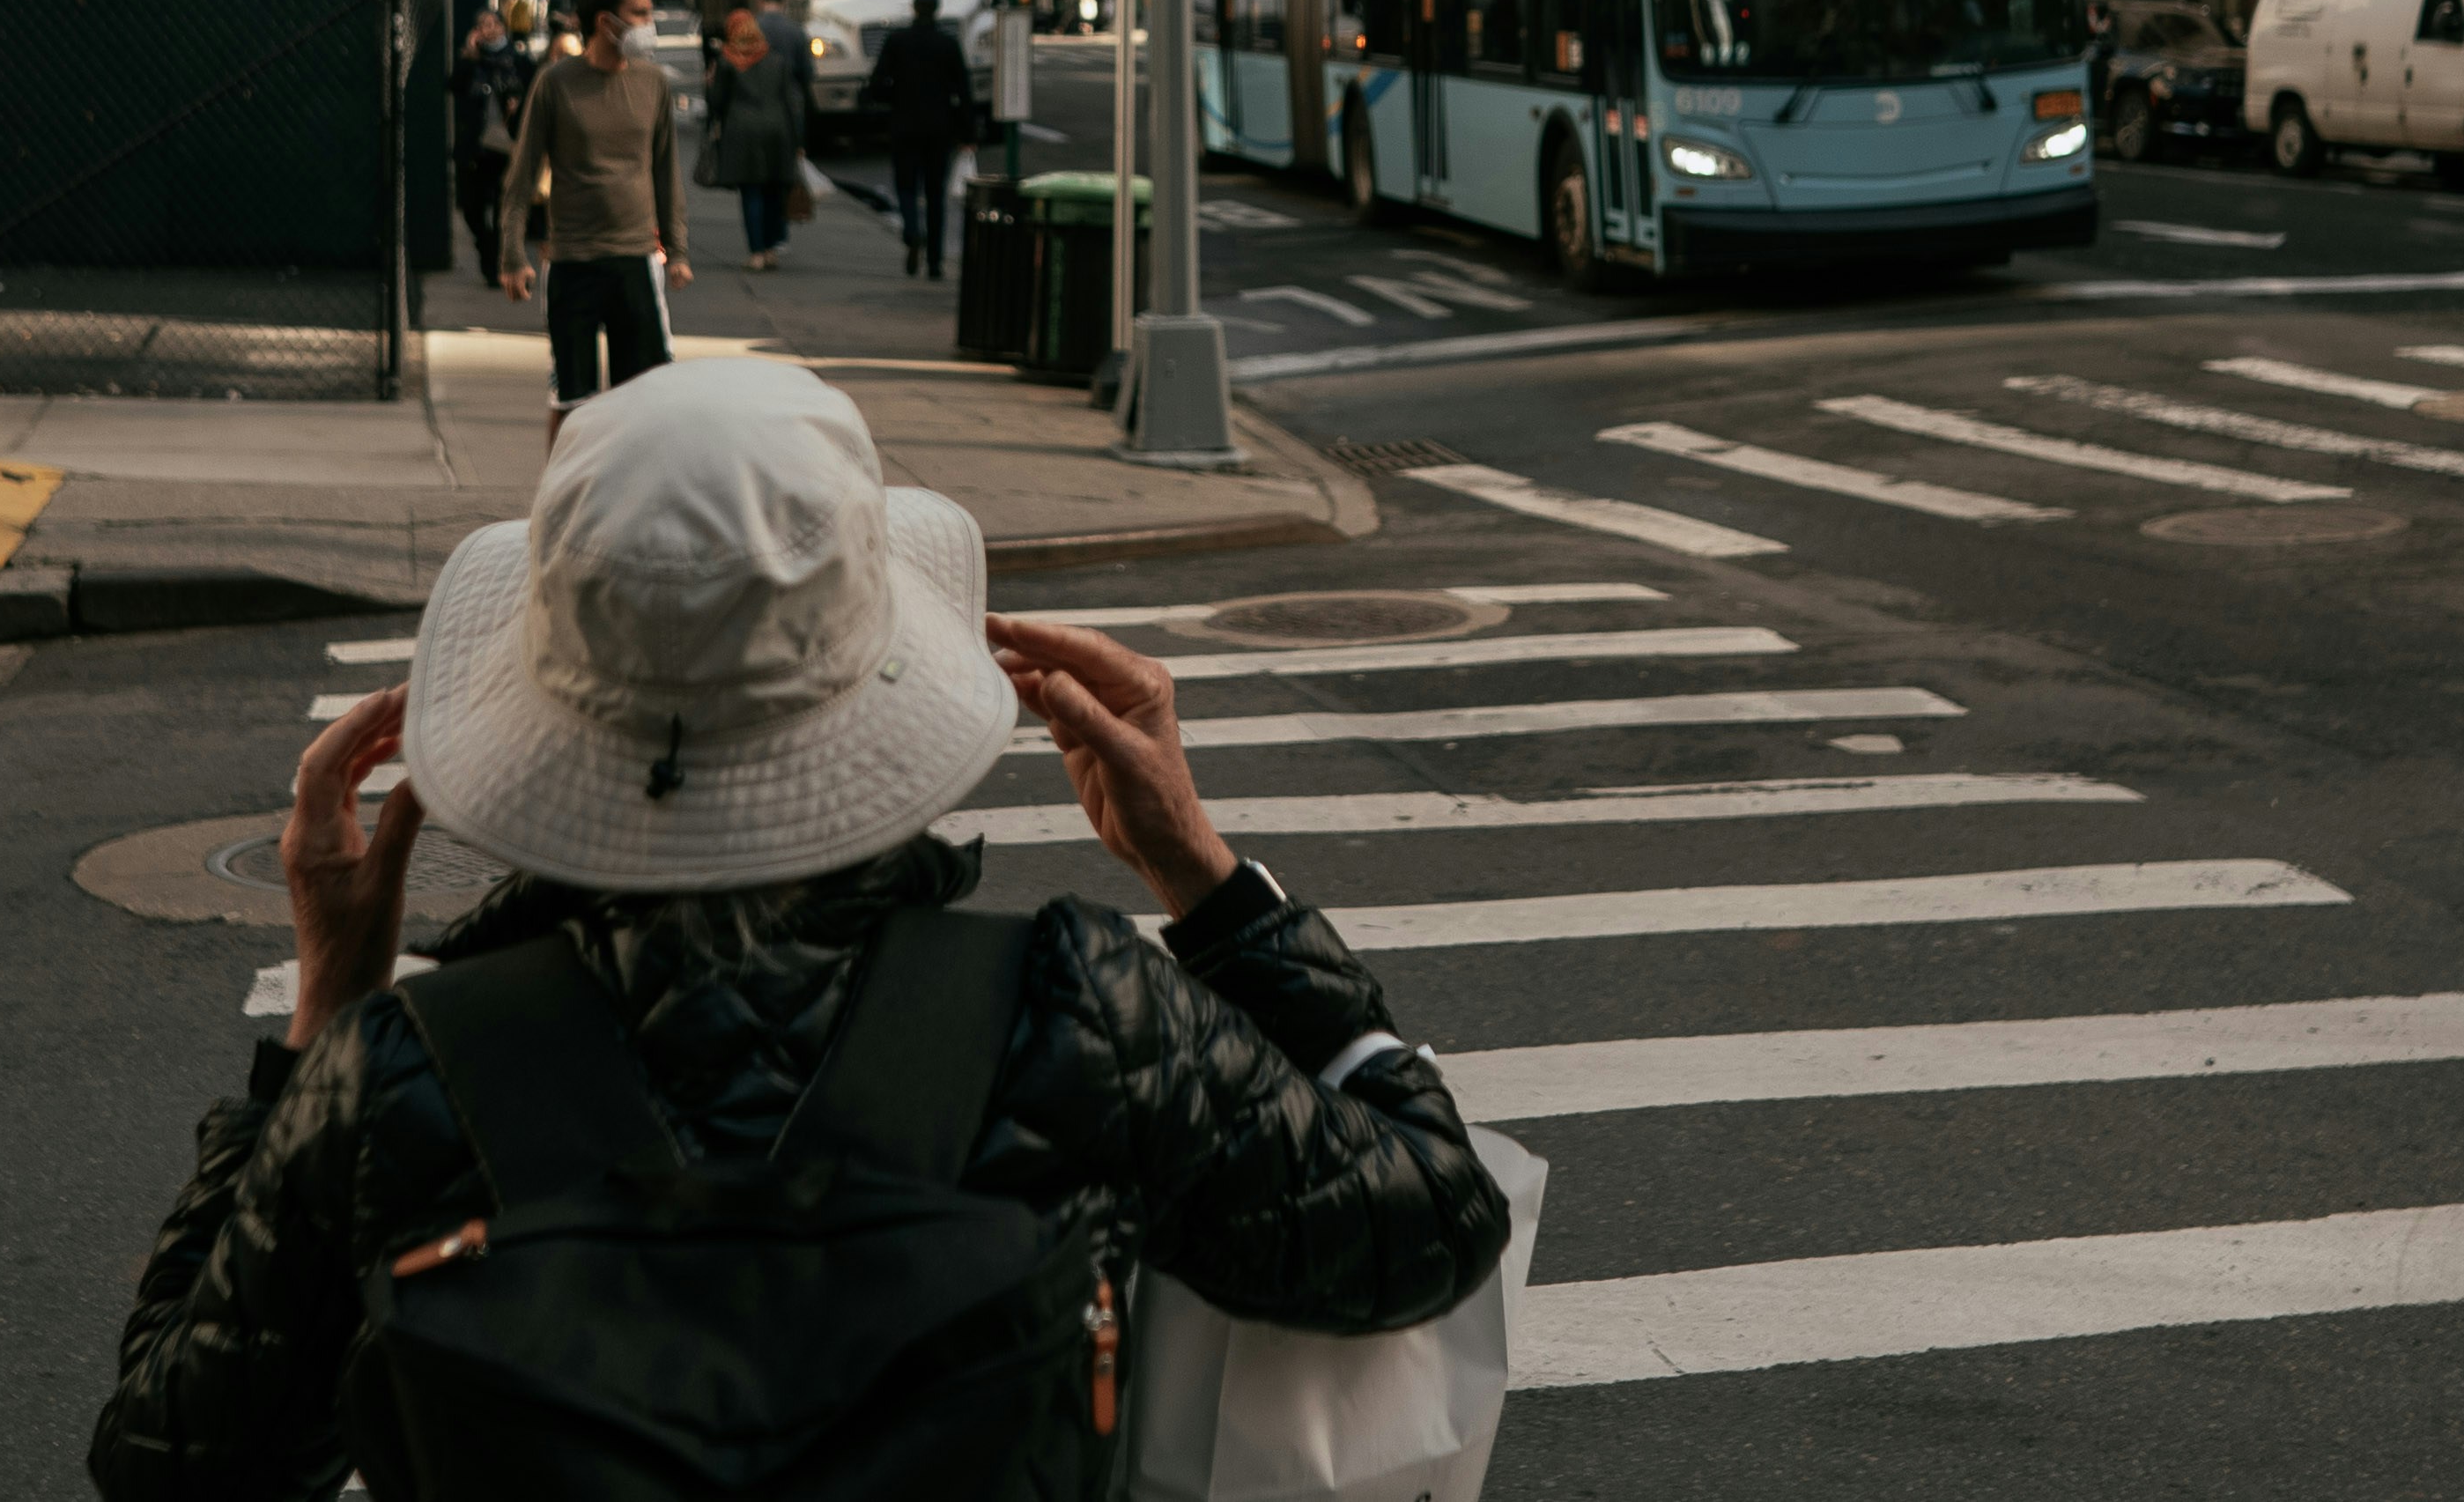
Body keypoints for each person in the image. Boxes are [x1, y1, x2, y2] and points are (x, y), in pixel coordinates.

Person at [84, 359, 1513, 1497]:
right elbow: (1429, 1219)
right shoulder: (1063, 1016)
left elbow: (171, 1456)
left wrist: (331, 991)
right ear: (875, 674)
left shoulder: (399, 1079)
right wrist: (1198, 870)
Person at [501, 0, 688, 407]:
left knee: (643, 398)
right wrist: (512, 255)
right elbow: (522, 175)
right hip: (573, 261)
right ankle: (565, 477)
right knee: (572, 402)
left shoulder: (653, 83)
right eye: (640, 13)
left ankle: (634, 478)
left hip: (636, 260)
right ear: (606, 22)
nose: (650, 22)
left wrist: (677, 251)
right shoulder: (556, 83)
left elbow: (666, 172)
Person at [869, 0, 980, 281]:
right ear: (937, 9)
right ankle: (934, 262)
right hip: (938, 128)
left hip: (904, 124)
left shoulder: (897, 41)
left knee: (906, 186)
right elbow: (963, 92)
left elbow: (876, 85)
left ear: (915, 7)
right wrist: (968, 133)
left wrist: (895, 96)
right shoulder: (947, 44)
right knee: (935, 195)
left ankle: (912, 230)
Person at [700, 3, 812, 273]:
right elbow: (791, 102)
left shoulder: (727, 62)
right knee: (775, 190)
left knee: (752, 193)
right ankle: (773, 248)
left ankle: (757, 252)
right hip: (778, 132)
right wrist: (799, 141)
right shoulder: (776, 60)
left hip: (742, 134)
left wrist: (709, 84)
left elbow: (717, 104)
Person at [450, 0, 542, 270]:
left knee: (506, 206)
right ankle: (487, 247)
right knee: (471, 208)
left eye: (494, 24)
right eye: (483, 25)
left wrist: (516, 103)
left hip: (509, 146)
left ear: (503, 27)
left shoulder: (520, 61)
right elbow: (454, 87)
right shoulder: (471, 62)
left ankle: (499, 260)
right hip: (476, 146)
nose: (489, 30)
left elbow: (535, 98)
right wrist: (469, 55)